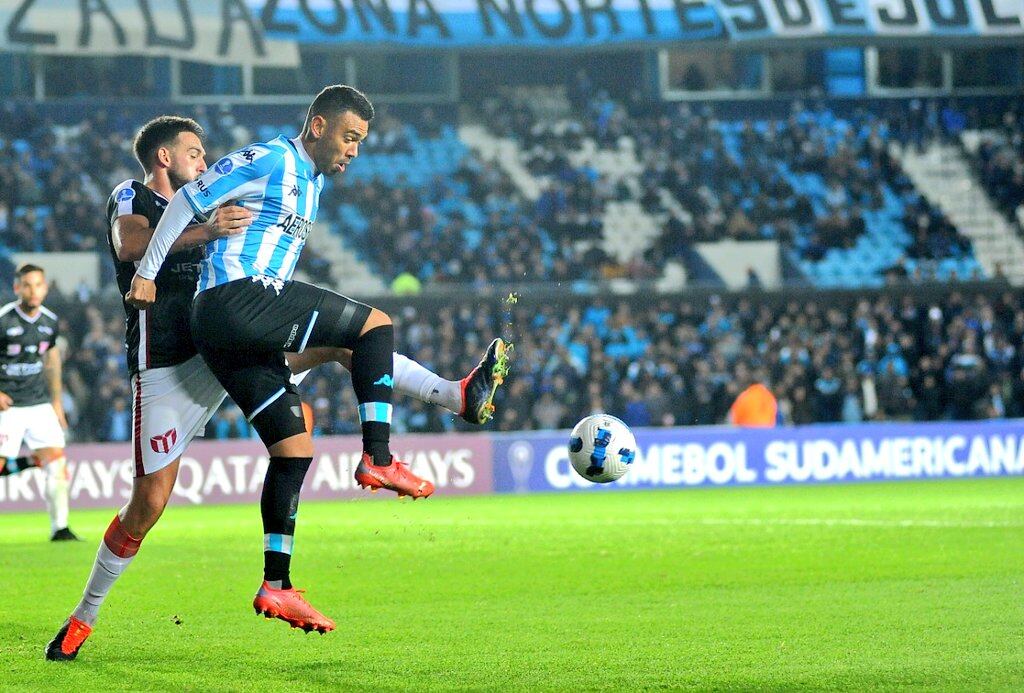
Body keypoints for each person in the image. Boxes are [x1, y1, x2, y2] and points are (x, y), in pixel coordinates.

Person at [46, 112, 509, 660]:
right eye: (194, 152)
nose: (204, 159)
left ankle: (455, 396)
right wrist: (208, 230)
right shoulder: (134, 196)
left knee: (343, 352)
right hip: (167, 363)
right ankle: (83, 617)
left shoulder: (228, 200)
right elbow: (130, 247)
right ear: (165, 157)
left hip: (226, 342)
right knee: (147, 504)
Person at [0, 264, 79, 541]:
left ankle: (60, 527)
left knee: (56, 462)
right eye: (27, 285)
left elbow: (51, 360)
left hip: (38, 404)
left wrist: (56, 401)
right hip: (7, 406)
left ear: (45, 288)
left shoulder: (49, 321)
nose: (33, 291)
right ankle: (27, 462)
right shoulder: (4, 319)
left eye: (38, 285)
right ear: (17, 288)